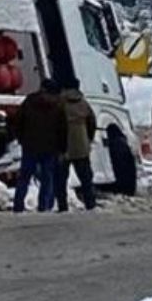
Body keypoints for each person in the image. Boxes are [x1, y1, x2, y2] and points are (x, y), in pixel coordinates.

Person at [9, 78, 68, 213]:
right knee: (47, 178)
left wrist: (21, 139)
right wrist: (62, 148)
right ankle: (44, 205)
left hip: (30, 146)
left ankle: (18, 205)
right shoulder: (58, 105)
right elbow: (63, 129)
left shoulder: (29, 101)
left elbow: (18, 121)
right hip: (50, 147)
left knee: (24, 177)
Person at [60, 78, 98, 211]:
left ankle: (62, 206)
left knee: (61, 179)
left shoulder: (60, 103)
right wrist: (88, 139)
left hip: (63, 146)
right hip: (81, 145)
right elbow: (92, 122)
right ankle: (90, 204)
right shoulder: (83, 103)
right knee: (86, 178)